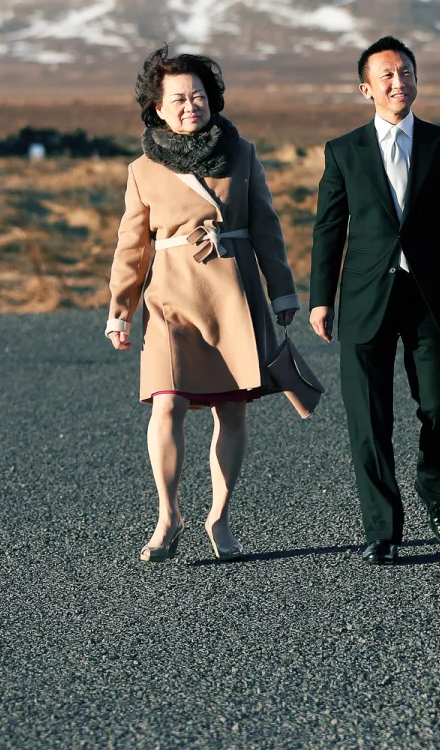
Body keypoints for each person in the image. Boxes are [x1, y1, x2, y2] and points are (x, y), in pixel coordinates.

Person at [106, 46, 300, 563]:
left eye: (198, 95)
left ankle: (221, 516)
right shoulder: (142, 170)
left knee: (231, 409)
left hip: (232, 292)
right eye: (178, 98)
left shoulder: (243, 153)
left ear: (211, 99)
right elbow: (132, 246)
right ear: (159, 109)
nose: (190, 105)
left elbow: (266, 225)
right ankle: (169, 515)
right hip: (170, 298)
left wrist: (282, 291)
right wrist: (119, 310)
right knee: (167, 402)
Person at [308, 36, 440, 565]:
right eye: (385, 75)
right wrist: (322, 299)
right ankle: (382, 528)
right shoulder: (343, 151)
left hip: (429, 296)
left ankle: (437, 496)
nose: (397, 81)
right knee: (368, 417)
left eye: (405, 71)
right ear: (366, 88)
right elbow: (328, 229)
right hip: (365, 298)